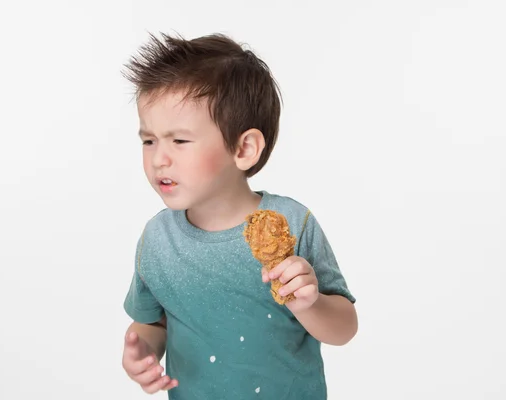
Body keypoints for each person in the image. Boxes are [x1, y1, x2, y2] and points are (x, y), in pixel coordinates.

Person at [120, 32, 358, 399]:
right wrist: (143, 352)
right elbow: (154, 322)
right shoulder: (158, 239)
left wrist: (311, 304)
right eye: (148, 140)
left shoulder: (293, 223)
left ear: (244, 148)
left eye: (179, 141)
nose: (158, 158)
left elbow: (344, 329)